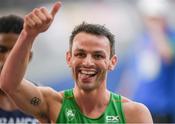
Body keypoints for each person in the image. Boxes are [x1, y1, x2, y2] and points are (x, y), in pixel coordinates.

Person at [0, 2, 153, 123]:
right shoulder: (52, 104)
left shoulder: (134, 114)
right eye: (80, 54)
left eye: (98, 56)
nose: (87, 62)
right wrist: (28, 35)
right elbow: (9, 85)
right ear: (69, 58)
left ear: (112, 62)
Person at [120, 0, 175, 122]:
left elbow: (168, 56)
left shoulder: (173, 37)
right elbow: (133, 73)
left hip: (162, 108)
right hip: (141, 105)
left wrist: (157, 30)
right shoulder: (142, 40)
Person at [0, 15, 38, 123]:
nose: (8, 58)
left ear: (29, 57)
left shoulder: (41, 98)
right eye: (1, 49)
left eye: (17, 51)